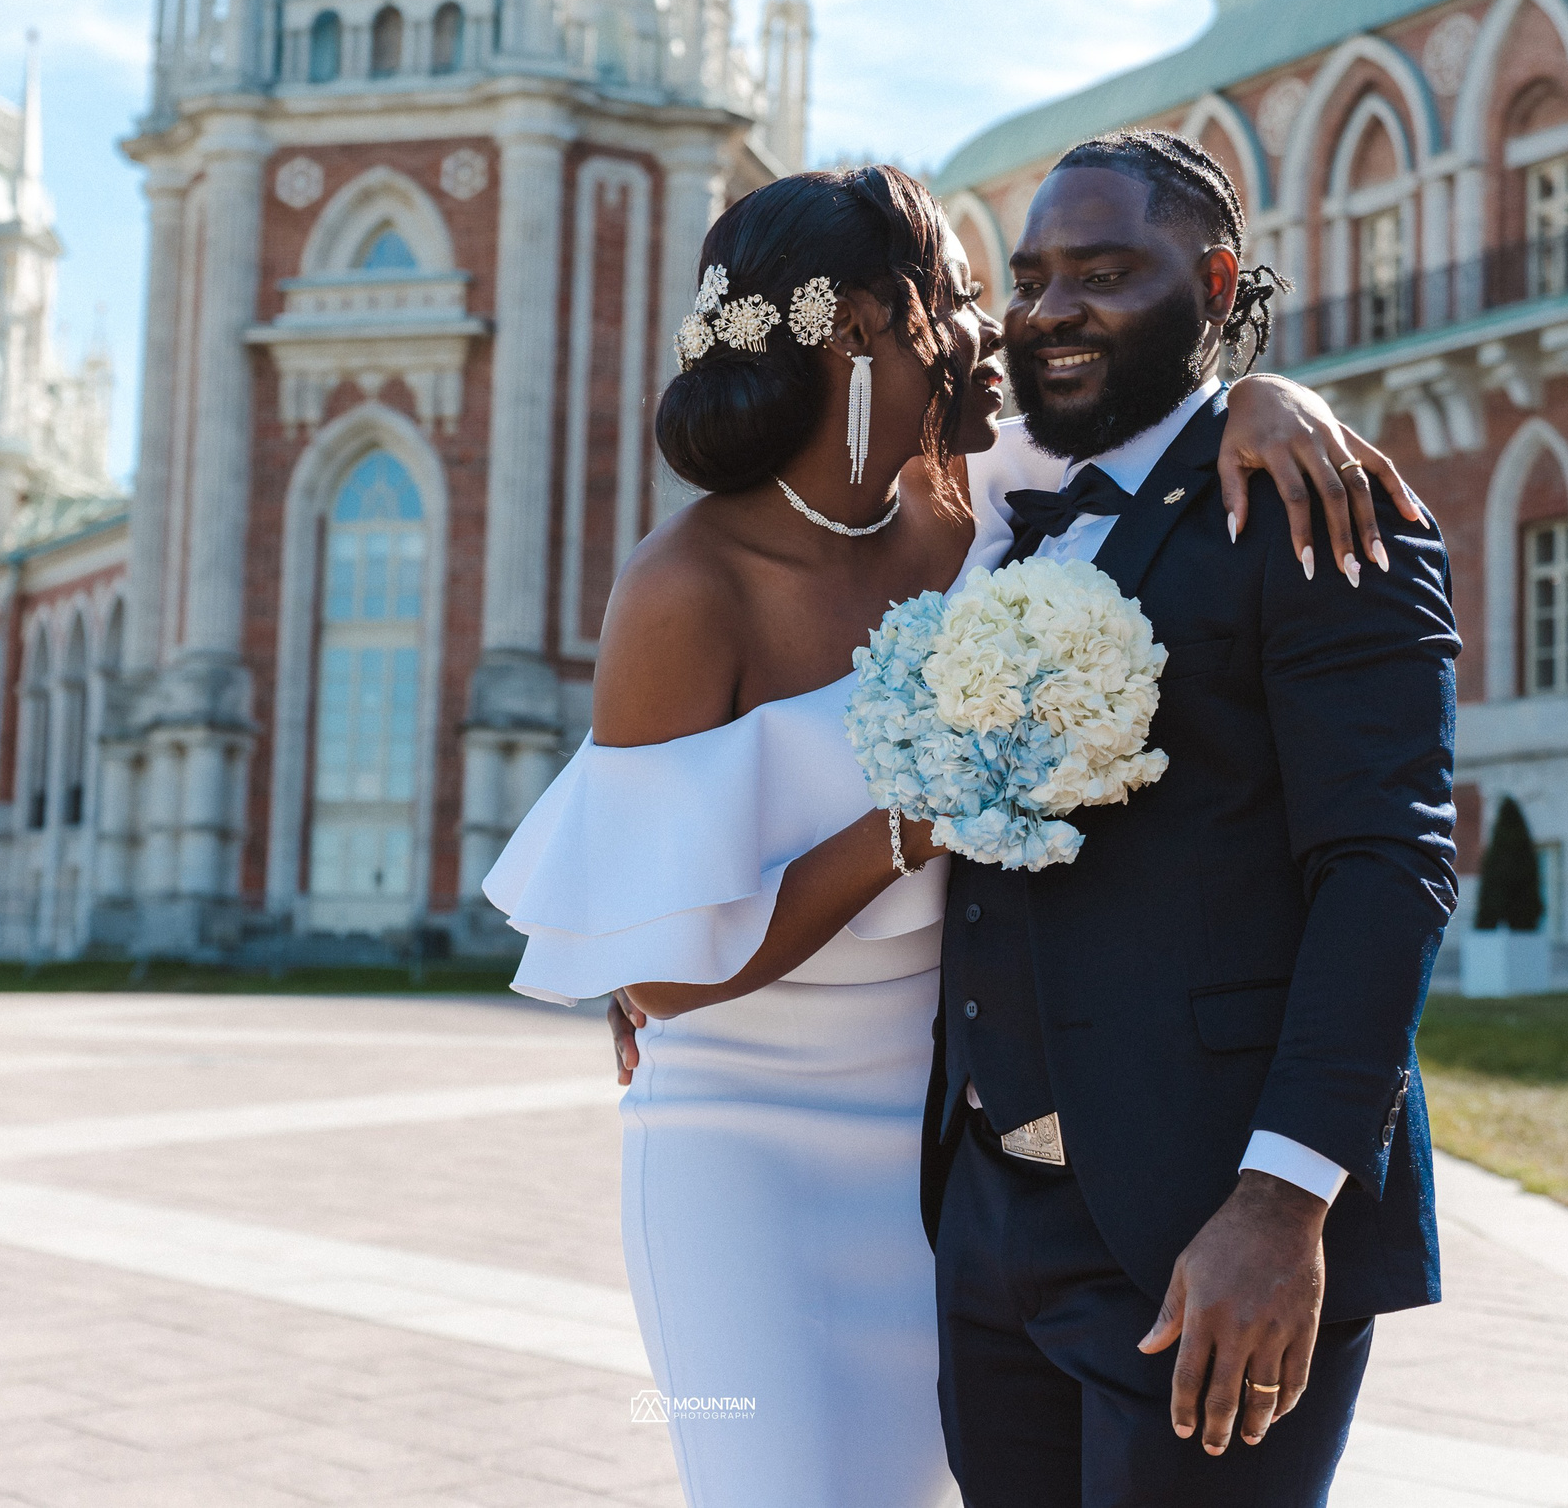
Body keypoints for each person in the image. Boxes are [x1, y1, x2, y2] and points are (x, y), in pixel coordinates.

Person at [483, 163, 1420, 1508]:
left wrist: (1276, 391)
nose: (1011, 328)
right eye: (971, 294)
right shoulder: (683, 587)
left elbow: (1176, 427)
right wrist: (914, 819)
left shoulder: (989, 497)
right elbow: (659, 978)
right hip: (739, 1144)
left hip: (948, 1162)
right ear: (868, 327)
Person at [926, 131, 1459, 1506]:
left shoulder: (1316, 507)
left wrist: (1282, 1204)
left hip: (1210, 1234)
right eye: (1033, 276)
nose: (1052, 308)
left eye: (1105, 271)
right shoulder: (1000, 516)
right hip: (992, 1227)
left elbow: (1387, 869)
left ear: (1217, 280)